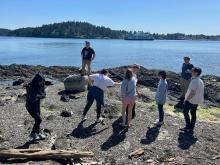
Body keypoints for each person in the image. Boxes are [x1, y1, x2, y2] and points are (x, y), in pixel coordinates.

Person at [180, 67, 204, 132]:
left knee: (185, 112)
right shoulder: (200, 80)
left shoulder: (194, 81)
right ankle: (191, 127)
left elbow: (192, 93)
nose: (191, 72)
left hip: (191, 100)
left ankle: (188, 126)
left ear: (196, 73)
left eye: (192, 71)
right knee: (193, 113)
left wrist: (186, 99)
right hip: (196, 101)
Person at [26, 74, 46, 140]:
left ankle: (37, 133)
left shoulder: (39, 85)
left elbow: (44, 94)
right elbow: (32, 98)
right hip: (30, 106)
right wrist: (40, 95)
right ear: (37, 80)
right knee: (39, 120)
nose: (41, 82)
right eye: (41, 81)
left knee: (37, 120)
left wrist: (42, 88)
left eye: (42, 81)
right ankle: (32, 134)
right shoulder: (30, 86)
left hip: (37, 106)